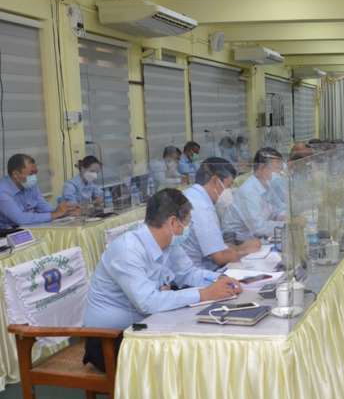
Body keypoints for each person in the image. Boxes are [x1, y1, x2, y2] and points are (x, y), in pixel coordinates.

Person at [82, 188, 242, 371]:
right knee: (188, 359)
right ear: (173, 222)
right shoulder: (127, 250)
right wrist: (204, 294)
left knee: (200, 347)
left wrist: (222, 279)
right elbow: (148, 302)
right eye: (187, 223)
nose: (188, 229)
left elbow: (188, 274)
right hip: (109, 340)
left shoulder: (169, 243)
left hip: (144, 327)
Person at [181, 157, 260, 269]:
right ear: (215, 181)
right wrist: (244, 249)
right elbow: (220, 258)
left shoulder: (191, 194)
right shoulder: (202, 208)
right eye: (228, 186)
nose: (228, 191)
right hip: (197, 271)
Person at [223, 148, 287, 241]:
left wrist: (286, 217)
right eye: (276, 168)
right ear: (262, 167)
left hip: (257, 237)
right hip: (239, 240)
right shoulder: (248, 191)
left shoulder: (267, 184)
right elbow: (259, 228)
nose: (278, 173)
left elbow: (277, 209)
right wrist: (287, 225)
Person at [0, 154, 78, 229]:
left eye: (35, 173)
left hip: (29, 227)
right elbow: (20, 218)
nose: (34, 177)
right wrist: (55, 214)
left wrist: (66, 211)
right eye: (31, 173)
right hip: (7, 232)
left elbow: (44, 207)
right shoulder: (2, 191)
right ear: (15, 174)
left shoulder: (30, 184)